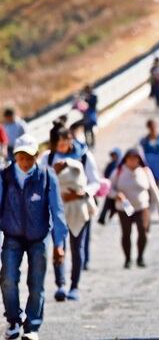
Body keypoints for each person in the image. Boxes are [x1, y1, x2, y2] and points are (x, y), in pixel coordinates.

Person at [0, 135, 67, 340]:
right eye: (21, 157)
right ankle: (13, 320)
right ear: (15, 157)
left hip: (39, 238)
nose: (26, 162)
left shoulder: (46, 176)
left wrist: (59, 244)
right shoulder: (5, 177)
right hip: (12, 236)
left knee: (36, 283)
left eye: (30, 157)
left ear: (36, 156)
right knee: (8, 279)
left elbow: (57, 212)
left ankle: (32, 325)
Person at [40, 124, 100, 302]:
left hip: (79, 207)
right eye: (57, 144)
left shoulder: (84, 156)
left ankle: (75, 285)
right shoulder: (48, 158)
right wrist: (52, 173)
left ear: (70, 140)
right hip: (57, 208)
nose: (61, 147)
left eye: (64, 143)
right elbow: (40, 180)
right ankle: (61, 284)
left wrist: (83, 193)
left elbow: (95, 181)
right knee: (59, 246)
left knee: (77, 246)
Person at [111, 148, 159, 268]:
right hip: (124, 208)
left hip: (142, 207)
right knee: (126, 233)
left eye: (135, 159)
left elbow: (154, 189)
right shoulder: (119, 171)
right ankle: (127, 259)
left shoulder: (145, 171)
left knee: (143, 231)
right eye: (130, 159)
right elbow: (109, 188)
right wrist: (116, 195)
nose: (132, 161)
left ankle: (140, 257)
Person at [140, 120, 159, 207]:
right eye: (151, 127)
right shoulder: (144, 140)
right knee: (150, 186)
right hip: (149, 166)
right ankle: (150, 205)